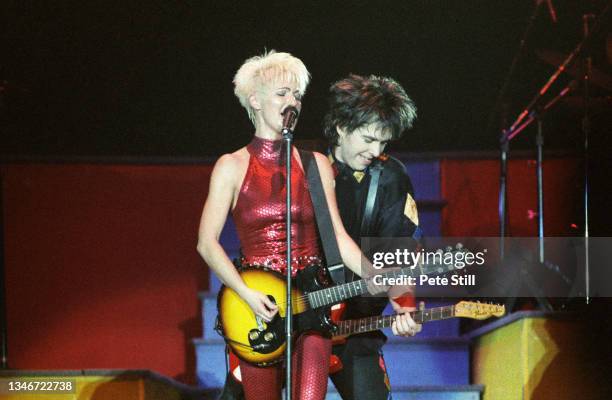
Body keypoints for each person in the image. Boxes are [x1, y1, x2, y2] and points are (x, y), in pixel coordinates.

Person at [197, 52, 419, 400]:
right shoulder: (232, 165)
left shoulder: (316, 165)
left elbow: (342, 239)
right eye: (283, 93)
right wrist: (245, 293)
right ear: (255, 99)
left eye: (298, 95)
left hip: (318, 309)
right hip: (259, 307)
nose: (293, 102)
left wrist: (393, 289)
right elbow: (206, 243)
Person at [324, 74, 421, 400]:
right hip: (296, 317)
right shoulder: (307, 167)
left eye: (383, 142)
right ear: (340, 127)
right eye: (367, 139)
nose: (375, 151)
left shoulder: (391, 176)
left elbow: (398, 253)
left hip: (355, 323)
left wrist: (405, 307)